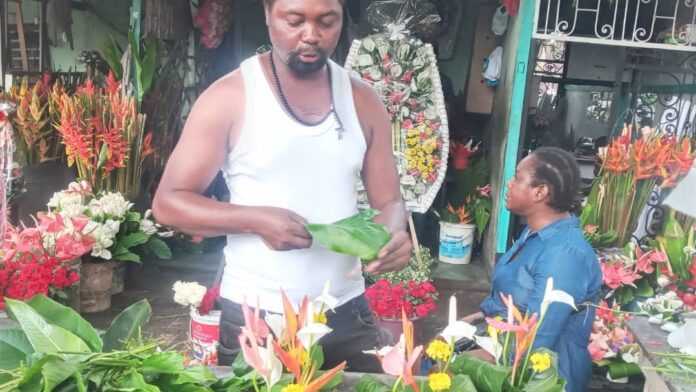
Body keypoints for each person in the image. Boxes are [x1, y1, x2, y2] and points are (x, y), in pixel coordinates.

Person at [152, 0, 412, 371]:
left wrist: (391, 234)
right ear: (267, 15)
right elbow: (169, 203)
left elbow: (389, 201)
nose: (311, 35)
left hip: (346, 311)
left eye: (327, 21)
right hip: (256, 316)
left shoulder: (362, 100)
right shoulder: (230, 98)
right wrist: (255, 220)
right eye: (294, 20)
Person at [461, 147, 602, 392]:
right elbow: (505, 303)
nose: (509, 183)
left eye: (517, 177)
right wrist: (466, 324)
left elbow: (537, 340)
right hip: (502, 349)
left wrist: (462, 363)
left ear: (540, 192)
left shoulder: (564, 254)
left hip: (541, 378)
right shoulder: (533, 233)